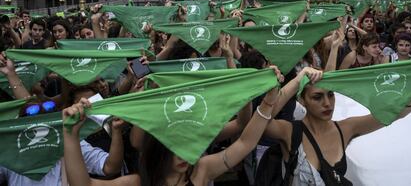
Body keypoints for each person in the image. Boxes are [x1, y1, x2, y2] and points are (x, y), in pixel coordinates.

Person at [62, 67, 286, 186]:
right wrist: (70, 135)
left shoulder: (201, 171)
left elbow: (246, 142)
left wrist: (267, 98)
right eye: (173, 147)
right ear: (158, 147)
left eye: (187, 145)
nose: (184, 156)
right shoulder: (138, 182)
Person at [264, 73, 411, 186]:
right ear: (302, 101)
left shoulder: (346, 128)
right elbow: (261, 120)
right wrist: (297, 82)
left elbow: (391, 115)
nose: (327, 103)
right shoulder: (289, 131)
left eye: (331, 95)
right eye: (317, 97)